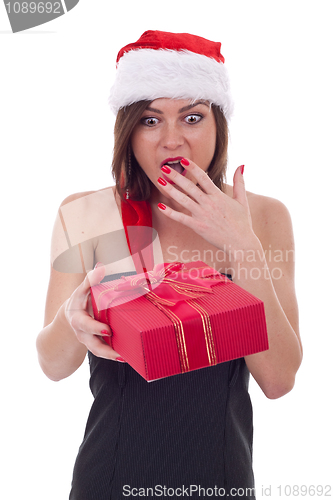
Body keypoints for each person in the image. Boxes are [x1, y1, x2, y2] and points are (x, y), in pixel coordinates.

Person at [36, 31, 303, 499]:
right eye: (151, 119)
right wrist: (72, 321)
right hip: (108, 478)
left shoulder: (261, 216)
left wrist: (243, 246)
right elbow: (53, 365)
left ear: (218, 124)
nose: (172, 140)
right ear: (129, 130)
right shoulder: (85, 212)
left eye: (193, 117)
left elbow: (278, 379)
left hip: (221, 481)